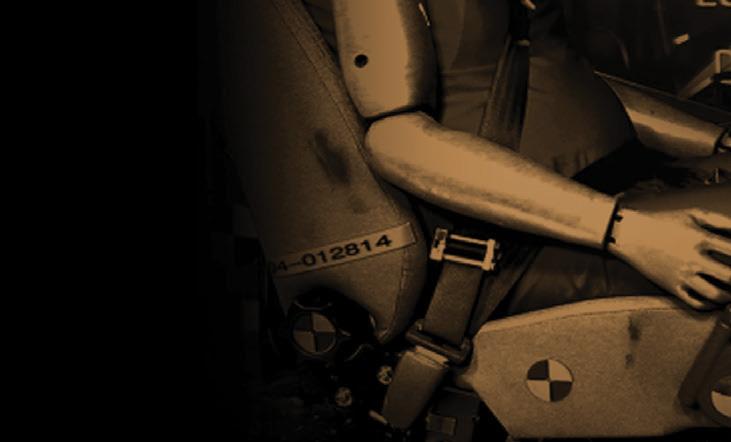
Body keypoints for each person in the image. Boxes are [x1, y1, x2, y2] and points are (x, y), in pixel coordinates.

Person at [302, 0, 731, 315]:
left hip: (623, 182)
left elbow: (559, 79)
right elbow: (396, 142)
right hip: (515, 249)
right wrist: (625, 230)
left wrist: (717, 141)